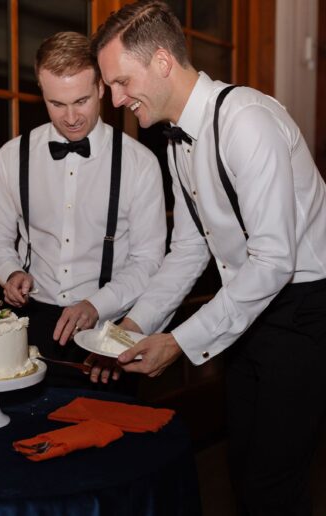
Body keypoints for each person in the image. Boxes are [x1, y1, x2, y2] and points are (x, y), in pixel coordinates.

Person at [92, 1, 326, 514]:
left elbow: (273, 262)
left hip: (302, 312)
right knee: (242, 470)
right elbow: (191, 248)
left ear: (161, 61)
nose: (114, 99)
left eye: (120, 82)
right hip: (248, 313)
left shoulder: (247, 121)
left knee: (274, 487)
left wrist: (179, 341)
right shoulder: (177, 141)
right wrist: (131, 325)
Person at [0, 31, 167, 389]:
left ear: (100, 88)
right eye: (56, 104)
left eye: (80, 100)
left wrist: (96, 305)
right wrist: (10, 270)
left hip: (107, 328)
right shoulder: (11, 157)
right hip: (28, 325)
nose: (71, 117)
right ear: (41, 92)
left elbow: (148, 261)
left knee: (109, 437)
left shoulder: (140, 164)